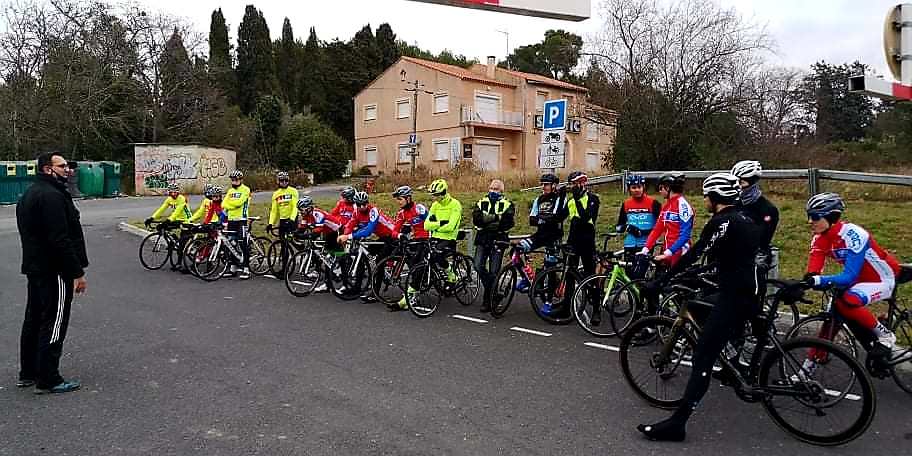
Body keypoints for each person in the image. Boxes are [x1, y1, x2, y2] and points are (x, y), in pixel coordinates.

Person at [637, 173, 763, 442]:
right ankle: (736, 365)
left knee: (703, 356)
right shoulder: (746, 220)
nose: (704, 200)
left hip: (734, 294)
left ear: (715, 197)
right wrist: (695, 274)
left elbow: (695, 253)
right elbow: (727, 260)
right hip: (751, 288)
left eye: (706, 195)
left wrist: (663, 281)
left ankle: (677, 423)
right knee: (711, 319)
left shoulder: (722, 221)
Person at [16, 151, 89, 394]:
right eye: (63, 166)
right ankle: (48, 378)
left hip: (35, 267)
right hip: (54, 270)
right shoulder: (52, 197)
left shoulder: (30, 193)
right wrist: (77, 272)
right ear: (48, 169)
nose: (68, 170)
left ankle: (29, 372)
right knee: (54, 321)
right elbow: (59, 239)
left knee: (34, 319)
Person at [801, 193, 900, 368]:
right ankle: (808, 367)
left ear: (831, 217)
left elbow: (849, 276)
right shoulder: (819, 238)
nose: (810, 221)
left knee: (850, 299)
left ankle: (885, 336)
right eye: (808, 215)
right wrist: (807, 281)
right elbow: (813, 271)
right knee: (833, 314)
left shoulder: (854, 235)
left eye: (815, 216)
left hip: (883, 278)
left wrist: (819, 280)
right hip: (861, 279)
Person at [549, 171, 600, 318]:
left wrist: (577, 199)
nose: (574, 187)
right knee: (570, 275)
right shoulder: (571, 201)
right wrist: (561, 198)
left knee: (591, 275)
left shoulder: (593, 199)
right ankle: (566, 307)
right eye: (572, 184)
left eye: (577, 184)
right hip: (573, 241)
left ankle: (596, 310)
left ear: (584, 183)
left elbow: (586, 218)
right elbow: (558, 218)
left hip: (587, 242)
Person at [338, 191, 396, 301]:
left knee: (379, 261)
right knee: (361, 258)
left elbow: (368, 231)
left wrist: (349, 236)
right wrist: (345, 235)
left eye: (364, 204)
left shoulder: (373, 211)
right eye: (359, 205)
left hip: (392, 236)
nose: (362, 206)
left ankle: (375, 293)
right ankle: (357, 288)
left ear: (367, 202)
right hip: (382, 236)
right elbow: (350, 225)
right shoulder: (356, 212)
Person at [516, 173, 566, 291]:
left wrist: (541, 219)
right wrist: (545, 220)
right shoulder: (539, 199)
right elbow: (532, 220)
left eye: (546, 185)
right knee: (516, 250)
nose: (543, 187)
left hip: (554, 236)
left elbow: (555, 218)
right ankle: (526, 278)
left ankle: (549, 298)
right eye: (542, 184)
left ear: (554, 186)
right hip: (540, 234)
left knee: (550, 267)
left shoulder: (560, 198)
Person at [472, 179, 515, 313]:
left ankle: (488, 299)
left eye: (496, 189)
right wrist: (497, 218)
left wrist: (488, 220)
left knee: (494, 270)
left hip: (499, 240)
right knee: (478, 266)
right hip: (482, 239)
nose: (492, 191)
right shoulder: (481, 202)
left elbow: (507, 223)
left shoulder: (508, 204)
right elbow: (477, 220)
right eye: (491, 188)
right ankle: (494, 293)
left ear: (502, 191)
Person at [731, 160, 780, 270]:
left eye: (741, 183)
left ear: (753, 184)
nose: (738, 187)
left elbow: (761, 237)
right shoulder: (733, 205)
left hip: (754, 257)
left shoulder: (768, 209)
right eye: (735, 183)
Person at [389, 186, 430, 312]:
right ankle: (414, 290)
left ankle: (408, 299)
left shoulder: (419, 208)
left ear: (408, 198)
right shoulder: (401, 214)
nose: (398, 202)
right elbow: (394, 231)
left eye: (400, 199)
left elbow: (431, 223)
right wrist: (400, 235)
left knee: (419, 266)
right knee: (412, 264)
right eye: (397, 199)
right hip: (415, 240)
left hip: (428, 238)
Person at [642, 172, 693, 267]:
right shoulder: (667, 206)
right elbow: (657, 229)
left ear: (668, 187)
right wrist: (645, 249)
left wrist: (668, 253)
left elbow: (685, 236)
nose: (659, 191)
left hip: (680, 253)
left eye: (660, 188)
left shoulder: (683, 206)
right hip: (668, 252)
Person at [423, 179, 463, 299]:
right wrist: (441, 223)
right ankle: (434, 278)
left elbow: (451, 226)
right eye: (433, 195)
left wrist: (435, 225)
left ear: (444, 192)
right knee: (423, 254)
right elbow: (426, 225)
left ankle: (451, 274)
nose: (435, 198)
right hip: (435, 237)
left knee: (436, 255)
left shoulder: (455, 204)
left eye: (436, 195)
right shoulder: (435, 205)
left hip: (449, 239)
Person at [296, 196, 345, 293]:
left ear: (309, 208)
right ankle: (327, 285)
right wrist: (295, 233)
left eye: (302, 210)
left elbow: (316, 233)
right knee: (327, 258)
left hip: (337, 231)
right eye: (299, 210)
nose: (301, 212)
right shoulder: (305, 215)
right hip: (328, 233)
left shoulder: (318, 214)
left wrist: (303, 236)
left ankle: (346, 284)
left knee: (340, 257)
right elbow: (301, 228)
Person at [145, 183, 194, 272]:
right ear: (169, 192)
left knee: (182, 243)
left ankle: (179, 262)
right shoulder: (169, 199)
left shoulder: (181, 199)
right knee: (164, 228)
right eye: (172, 192)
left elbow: (177, 211)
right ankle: (173, 241)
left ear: (178, 192)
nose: (174, 194)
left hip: (187, 220)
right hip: (177, 219)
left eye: (175, 192)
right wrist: (152, 218)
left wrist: (168, 220)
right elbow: (161, 209)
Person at [615, 174, 661, 267]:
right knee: (629, 275)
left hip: (646, 244)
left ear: (644, 187)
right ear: (629, 189)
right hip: (630, 244)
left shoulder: (653, 203)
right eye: (633, 187)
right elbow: (618, 227)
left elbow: (661, 224)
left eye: (639, 187)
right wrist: (627, 227)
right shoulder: (626, 204)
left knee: (640, 274)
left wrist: (644, 232)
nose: (636, 190)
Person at [222, 170, 252, 279]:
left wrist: (231, 204)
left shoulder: (246, 189)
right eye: (233, 180)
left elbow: (240, 202)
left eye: (236, 180)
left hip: (241, 220)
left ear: (241, 180)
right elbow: (223, 204)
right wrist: (232, 205)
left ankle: (246, 269)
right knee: (232, 244)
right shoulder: (230, 191)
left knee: (242, 244)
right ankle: (233, 268)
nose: (234, 182)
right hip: (231, 220)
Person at [267, 171, 300, 270]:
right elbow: (274, 211)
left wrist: (292, 219)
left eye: (286, 180)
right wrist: (270, 223)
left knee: (292, 241)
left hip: (292, 220)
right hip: (282, 220)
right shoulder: (276, 194)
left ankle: (304, 251)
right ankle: (284, 268)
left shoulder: (293, 191)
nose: (284, 182)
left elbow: (295, 207)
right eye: (282, 180)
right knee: (283, 245)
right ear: (278, 181)